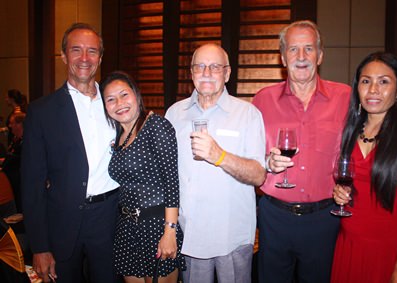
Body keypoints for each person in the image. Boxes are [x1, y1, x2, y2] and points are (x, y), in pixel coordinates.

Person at [252, 20, 351, 283]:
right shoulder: (261, 100)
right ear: (283, 57)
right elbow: (248, 156)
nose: (301, 57)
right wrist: (265, 161)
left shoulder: (346, 98)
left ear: (320, 55)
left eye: (309, 48)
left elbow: (376, 126)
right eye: (293, 50)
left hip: (325, 218)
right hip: (274, 217)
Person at [21, 23, 121, 283]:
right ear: (64, 55)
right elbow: (31, 185)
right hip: (62, 220)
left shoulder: (118, 104)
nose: (84, 58)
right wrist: (40, 247)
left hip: (109, 217)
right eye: (76, 50)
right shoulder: (41, 112)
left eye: (92, 51)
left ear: (100, 58)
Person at [165, 43, 266, 283]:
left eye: (215, 67)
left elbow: (259, 175)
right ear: (191, 73)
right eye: (200, 66)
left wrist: (219, 155)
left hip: (232, 235)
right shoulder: (174, 114)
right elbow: (166, 175)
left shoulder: (248, 114)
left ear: (227, 73)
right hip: (190, 234)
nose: (207, 72)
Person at [330, 52, 397, 283]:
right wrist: (339, 193)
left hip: (389, 253)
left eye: (383, 81)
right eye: (366, 81)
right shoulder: (351, 131)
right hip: (348, 246)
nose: (373, 89)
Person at [100, 71, 184, 282]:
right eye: (110, 99)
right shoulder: (118, 136)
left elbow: (172, 184)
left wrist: (170, 232)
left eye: (124, 95)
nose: (119, 103)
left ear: (136, 95)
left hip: (156, 225)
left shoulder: (156, 126)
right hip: (126, 228)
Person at [1, 112, 26, 214]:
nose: (10, 126)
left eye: (12, 123)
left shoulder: (27, 141)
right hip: (11, 182)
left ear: (20, 124)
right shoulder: (15, 140)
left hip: (20, 182)